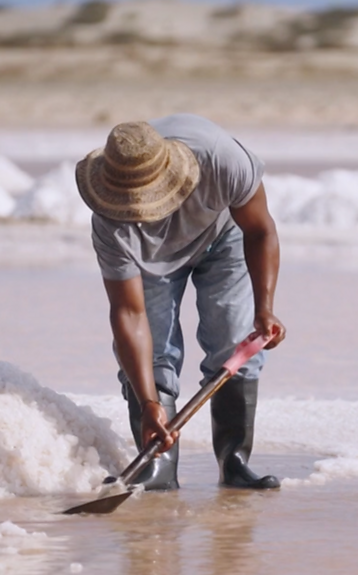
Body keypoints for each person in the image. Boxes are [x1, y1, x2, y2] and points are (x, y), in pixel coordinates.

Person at [75, 114, 287, 491]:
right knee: (154, 352)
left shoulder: (222, 160)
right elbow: (128, 312)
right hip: (150, 260)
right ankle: (157, 469)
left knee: (233, 339)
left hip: (225, 240)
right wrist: (149, 402)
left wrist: (264, 308)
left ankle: (234, 461)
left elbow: (260, 230)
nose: (142, 211)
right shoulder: (109, 222)